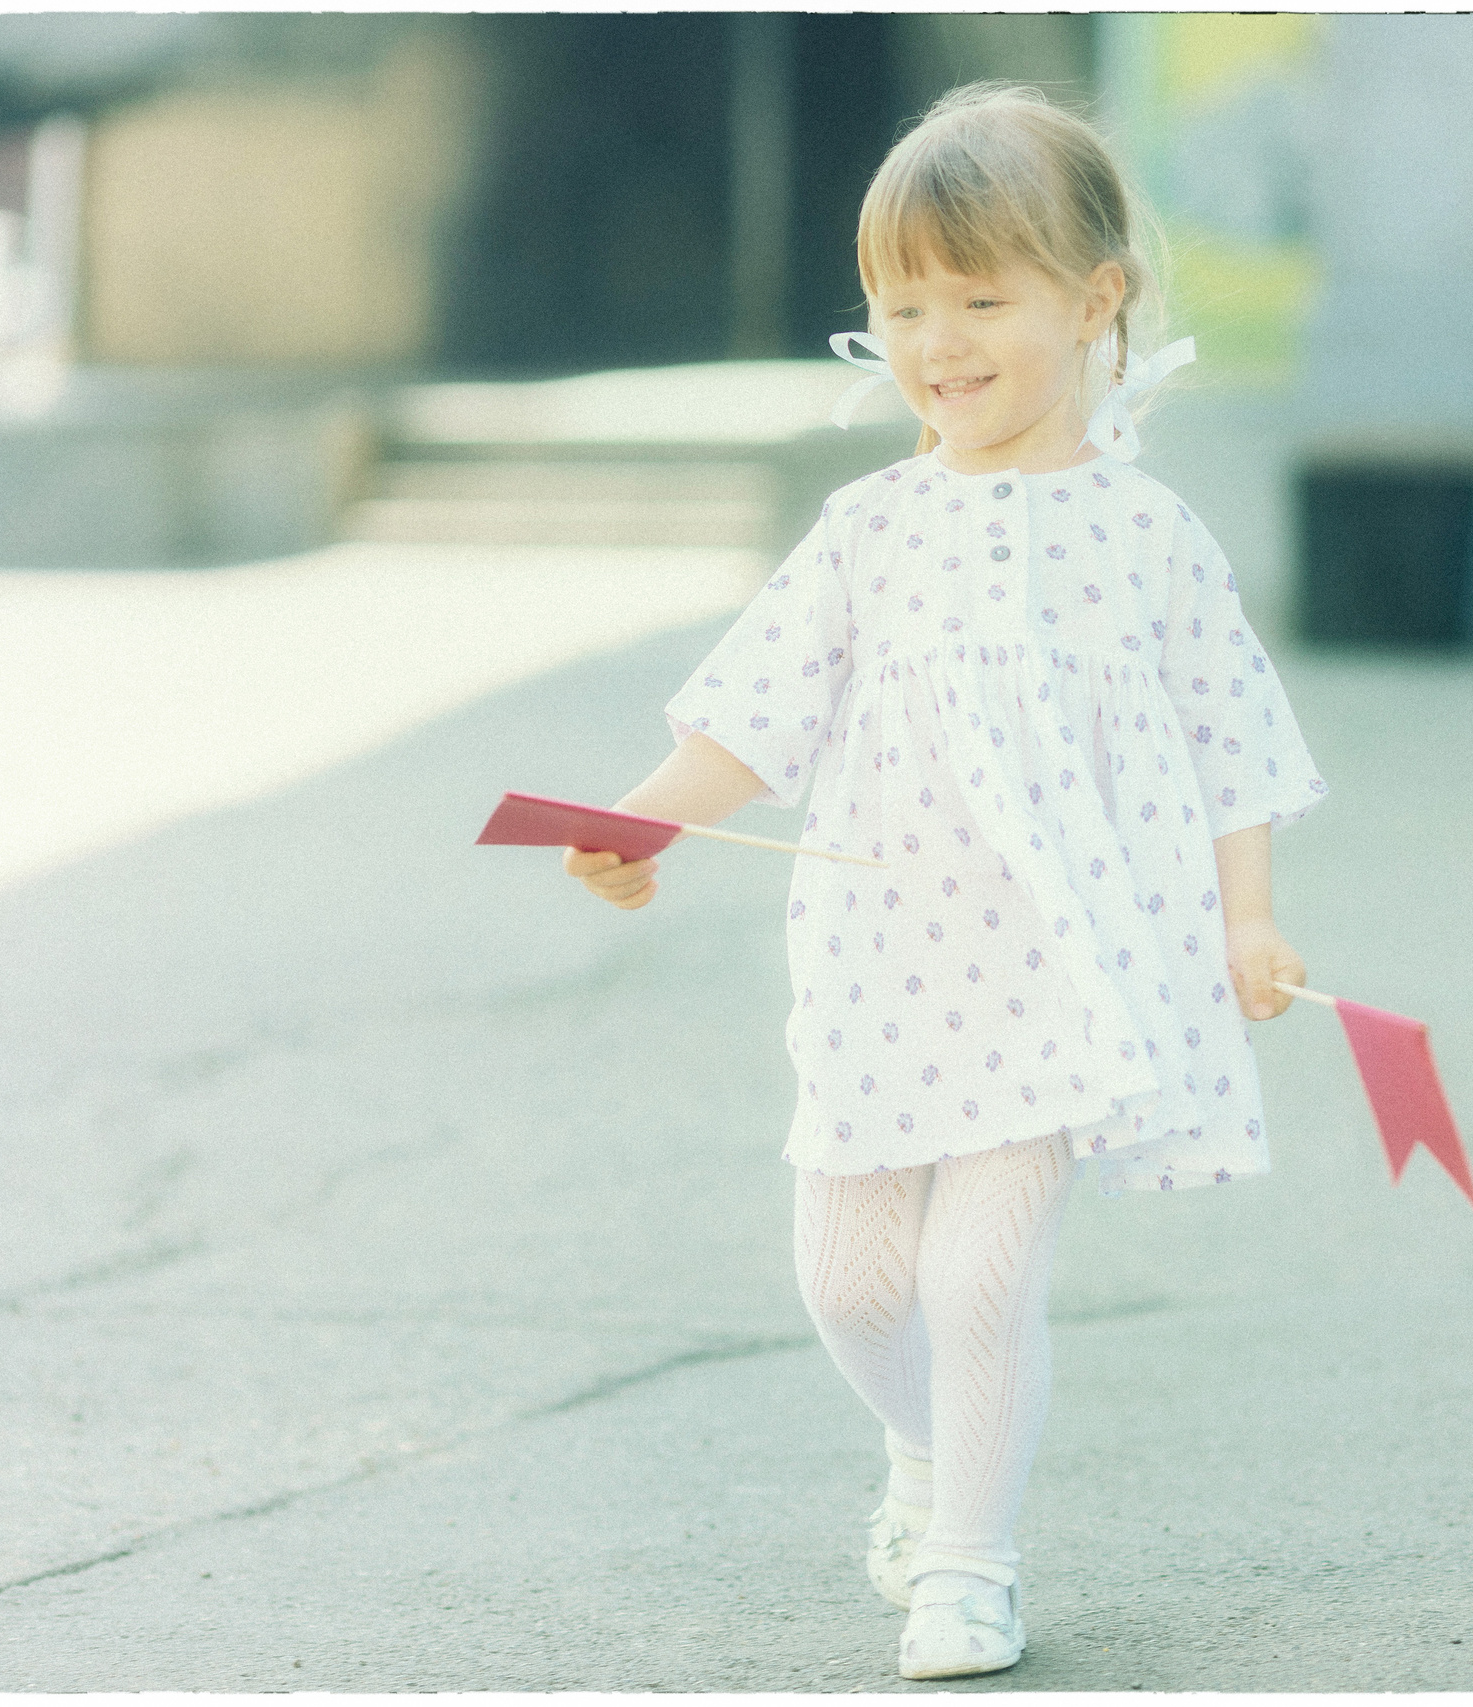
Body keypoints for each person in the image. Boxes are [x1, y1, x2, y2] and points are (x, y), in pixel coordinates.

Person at [562, 82, 1326, 1681]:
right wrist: (638, 821)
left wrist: (1248, 916)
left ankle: (970, 1563)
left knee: (978, 1282)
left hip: (1061, 965)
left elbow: (1234, 732)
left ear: (1094, 299)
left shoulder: (1149, 534)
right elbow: (750, 710)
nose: (938, 339)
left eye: (982, 297)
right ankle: (923, 1458)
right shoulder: (868, 529)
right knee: (851, 1290)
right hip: (879, 956)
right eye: (904, 304)